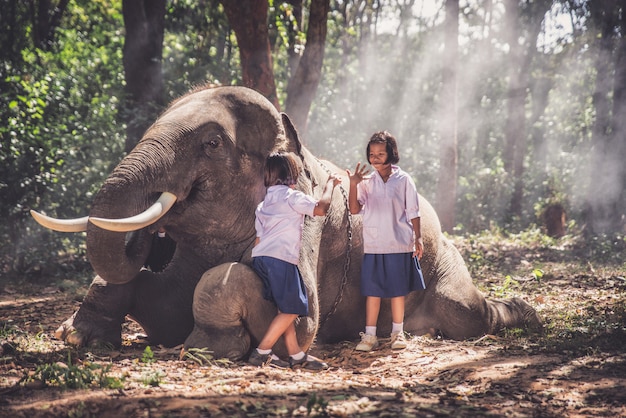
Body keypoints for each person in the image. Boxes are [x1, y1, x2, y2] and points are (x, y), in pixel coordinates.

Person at [249, 151, 341, 370]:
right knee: (292, 309)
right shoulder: (293, 197)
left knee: (284, 308)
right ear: (291, 175)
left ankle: (296, 355)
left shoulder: (264, 204)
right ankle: (261, 353)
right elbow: (321, 209)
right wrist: (330, 185)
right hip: (281, 258)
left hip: (261, 257)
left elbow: (258, 238)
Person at [346, 131, 426, 352]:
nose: (376, 158)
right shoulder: (367, 182)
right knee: (373, 292)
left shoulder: (404, 180)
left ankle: (397, 333)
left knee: (396, 292)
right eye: (372, 154)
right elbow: (354, 209)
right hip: (374, 244)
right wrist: (353, 184)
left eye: (381, 153)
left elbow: (413, 211)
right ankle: (369, 336)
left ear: (392, 153)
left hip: (399, 242)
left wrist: (418, 237)